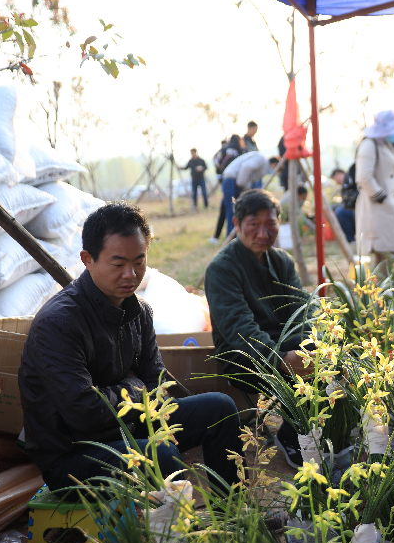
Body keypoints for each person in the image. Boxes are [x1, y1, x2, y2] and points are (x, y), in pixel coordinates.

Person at [18, 202, 241, 493]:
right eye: (118, 264)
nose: (131, 274)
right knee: (160, 455)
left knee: (220, 408)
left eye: (139, 262)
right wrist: (134, 386)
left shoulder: (140, 312)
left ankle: (231, 511)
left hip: (131, 425)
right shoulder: (58, 323)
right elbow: (85, 412)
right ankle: (174, 523)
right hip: (74, 456)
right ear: (87, 259)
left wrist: (134, 391)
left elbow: (158, 386)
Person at [204, 189, 312, 469]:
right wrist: (281, 359)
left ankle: (305, 431)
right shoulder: (222, 268)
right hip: (242, 356)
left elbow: (302, 310)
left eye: (270, 224)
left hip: (283, 344)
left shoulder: (282, 261)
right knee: (305, 364)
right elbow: (240, 330)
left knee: (319, 352)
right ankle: (293, 437)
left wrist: (312, 344)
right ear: (237, 224)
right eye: (254, 224)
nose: (263, 233)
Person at [355, 110, 394, 269]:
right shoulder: (369, 145)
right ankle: (380, 286)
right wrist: (381, 197)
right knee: (385, 256)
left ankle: (384, 286)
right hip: (379, 210)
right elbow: (364, 177)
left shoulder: (384, 144)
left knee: (389, 257)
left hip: (388, 208)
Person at [212, 153, 279, 243]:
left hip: (232, 179)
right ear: (274, 164)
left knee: (229, 209)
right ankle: (232, 241)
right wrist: (242, 184)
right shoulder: (261, 159)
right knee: (232, 211)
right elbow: (246, 167)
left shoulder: (263, 164)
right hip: (231, 179)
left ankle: (228, 238)